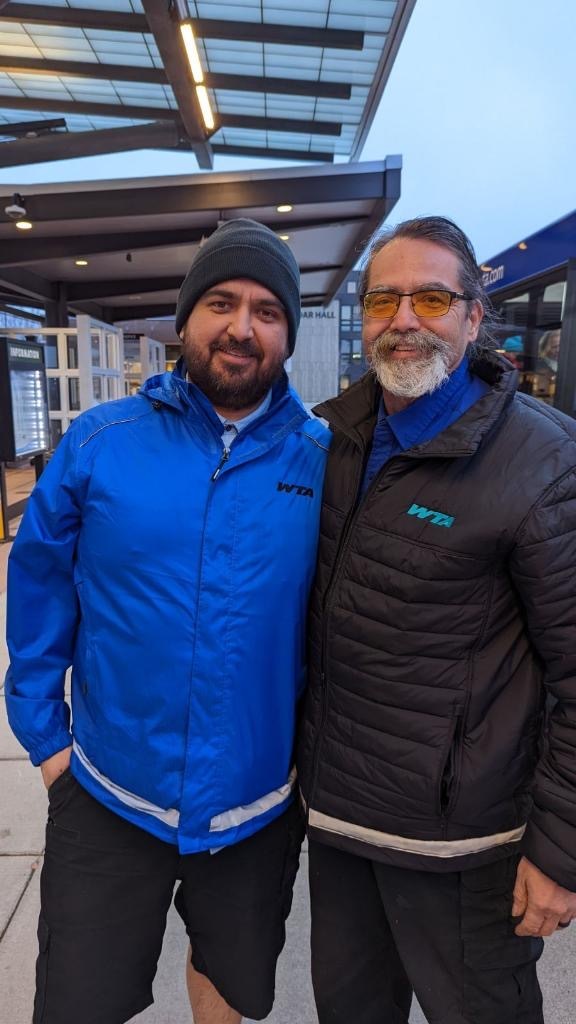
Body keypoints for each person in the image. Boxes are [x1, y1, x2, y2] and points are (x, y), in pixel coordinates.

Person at [5, 218, 329, 1024]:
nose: (241, 327)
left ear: (286, 333)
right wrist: (48, 745)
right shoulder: (99, 443)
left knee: (231, 976)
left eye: (266, 310)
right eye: (221, 302)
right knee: (80, 998)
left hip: (254, 800)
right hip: (111, 792)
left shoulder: (324, 461)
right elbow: (39, 589)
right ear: (184, 319)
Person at [297, 216, 576, 1024]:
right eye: (384, 299)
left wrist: (559, 850)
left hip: (464, 847)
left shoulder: (545, 462)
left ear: (472, 316)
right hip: (342, 821)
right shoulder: (332, 439)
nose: (405, 319)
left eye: (431, 297)